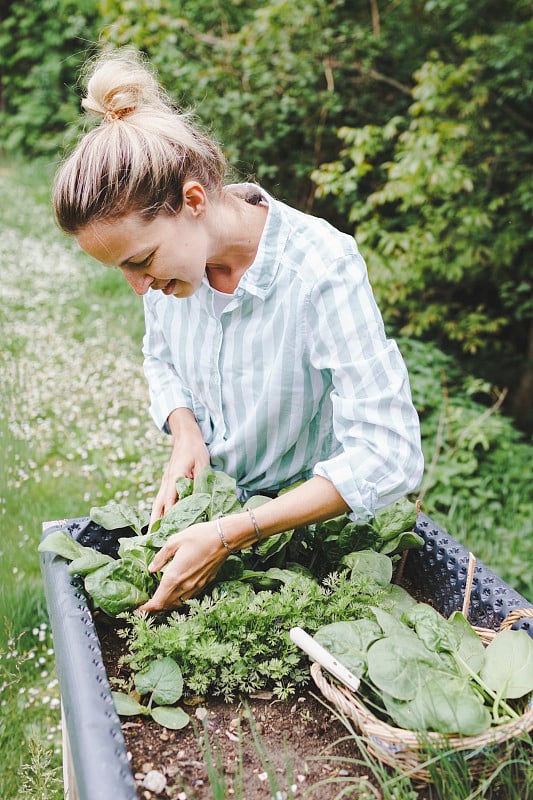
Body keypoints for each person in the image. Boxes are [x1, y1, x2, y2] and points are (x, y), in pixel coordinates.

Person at [53, 49, 424, 612]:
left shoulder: (321, 269)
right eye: (123, 269)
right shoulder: (175, 270)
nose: (138, 286)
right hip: (214, 518)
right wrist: (185, 432)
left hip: (311, 543)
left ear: (193, 200)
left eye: (141, 260)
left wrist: (233, 532)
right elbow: (161, 357)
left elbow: (389, 453)